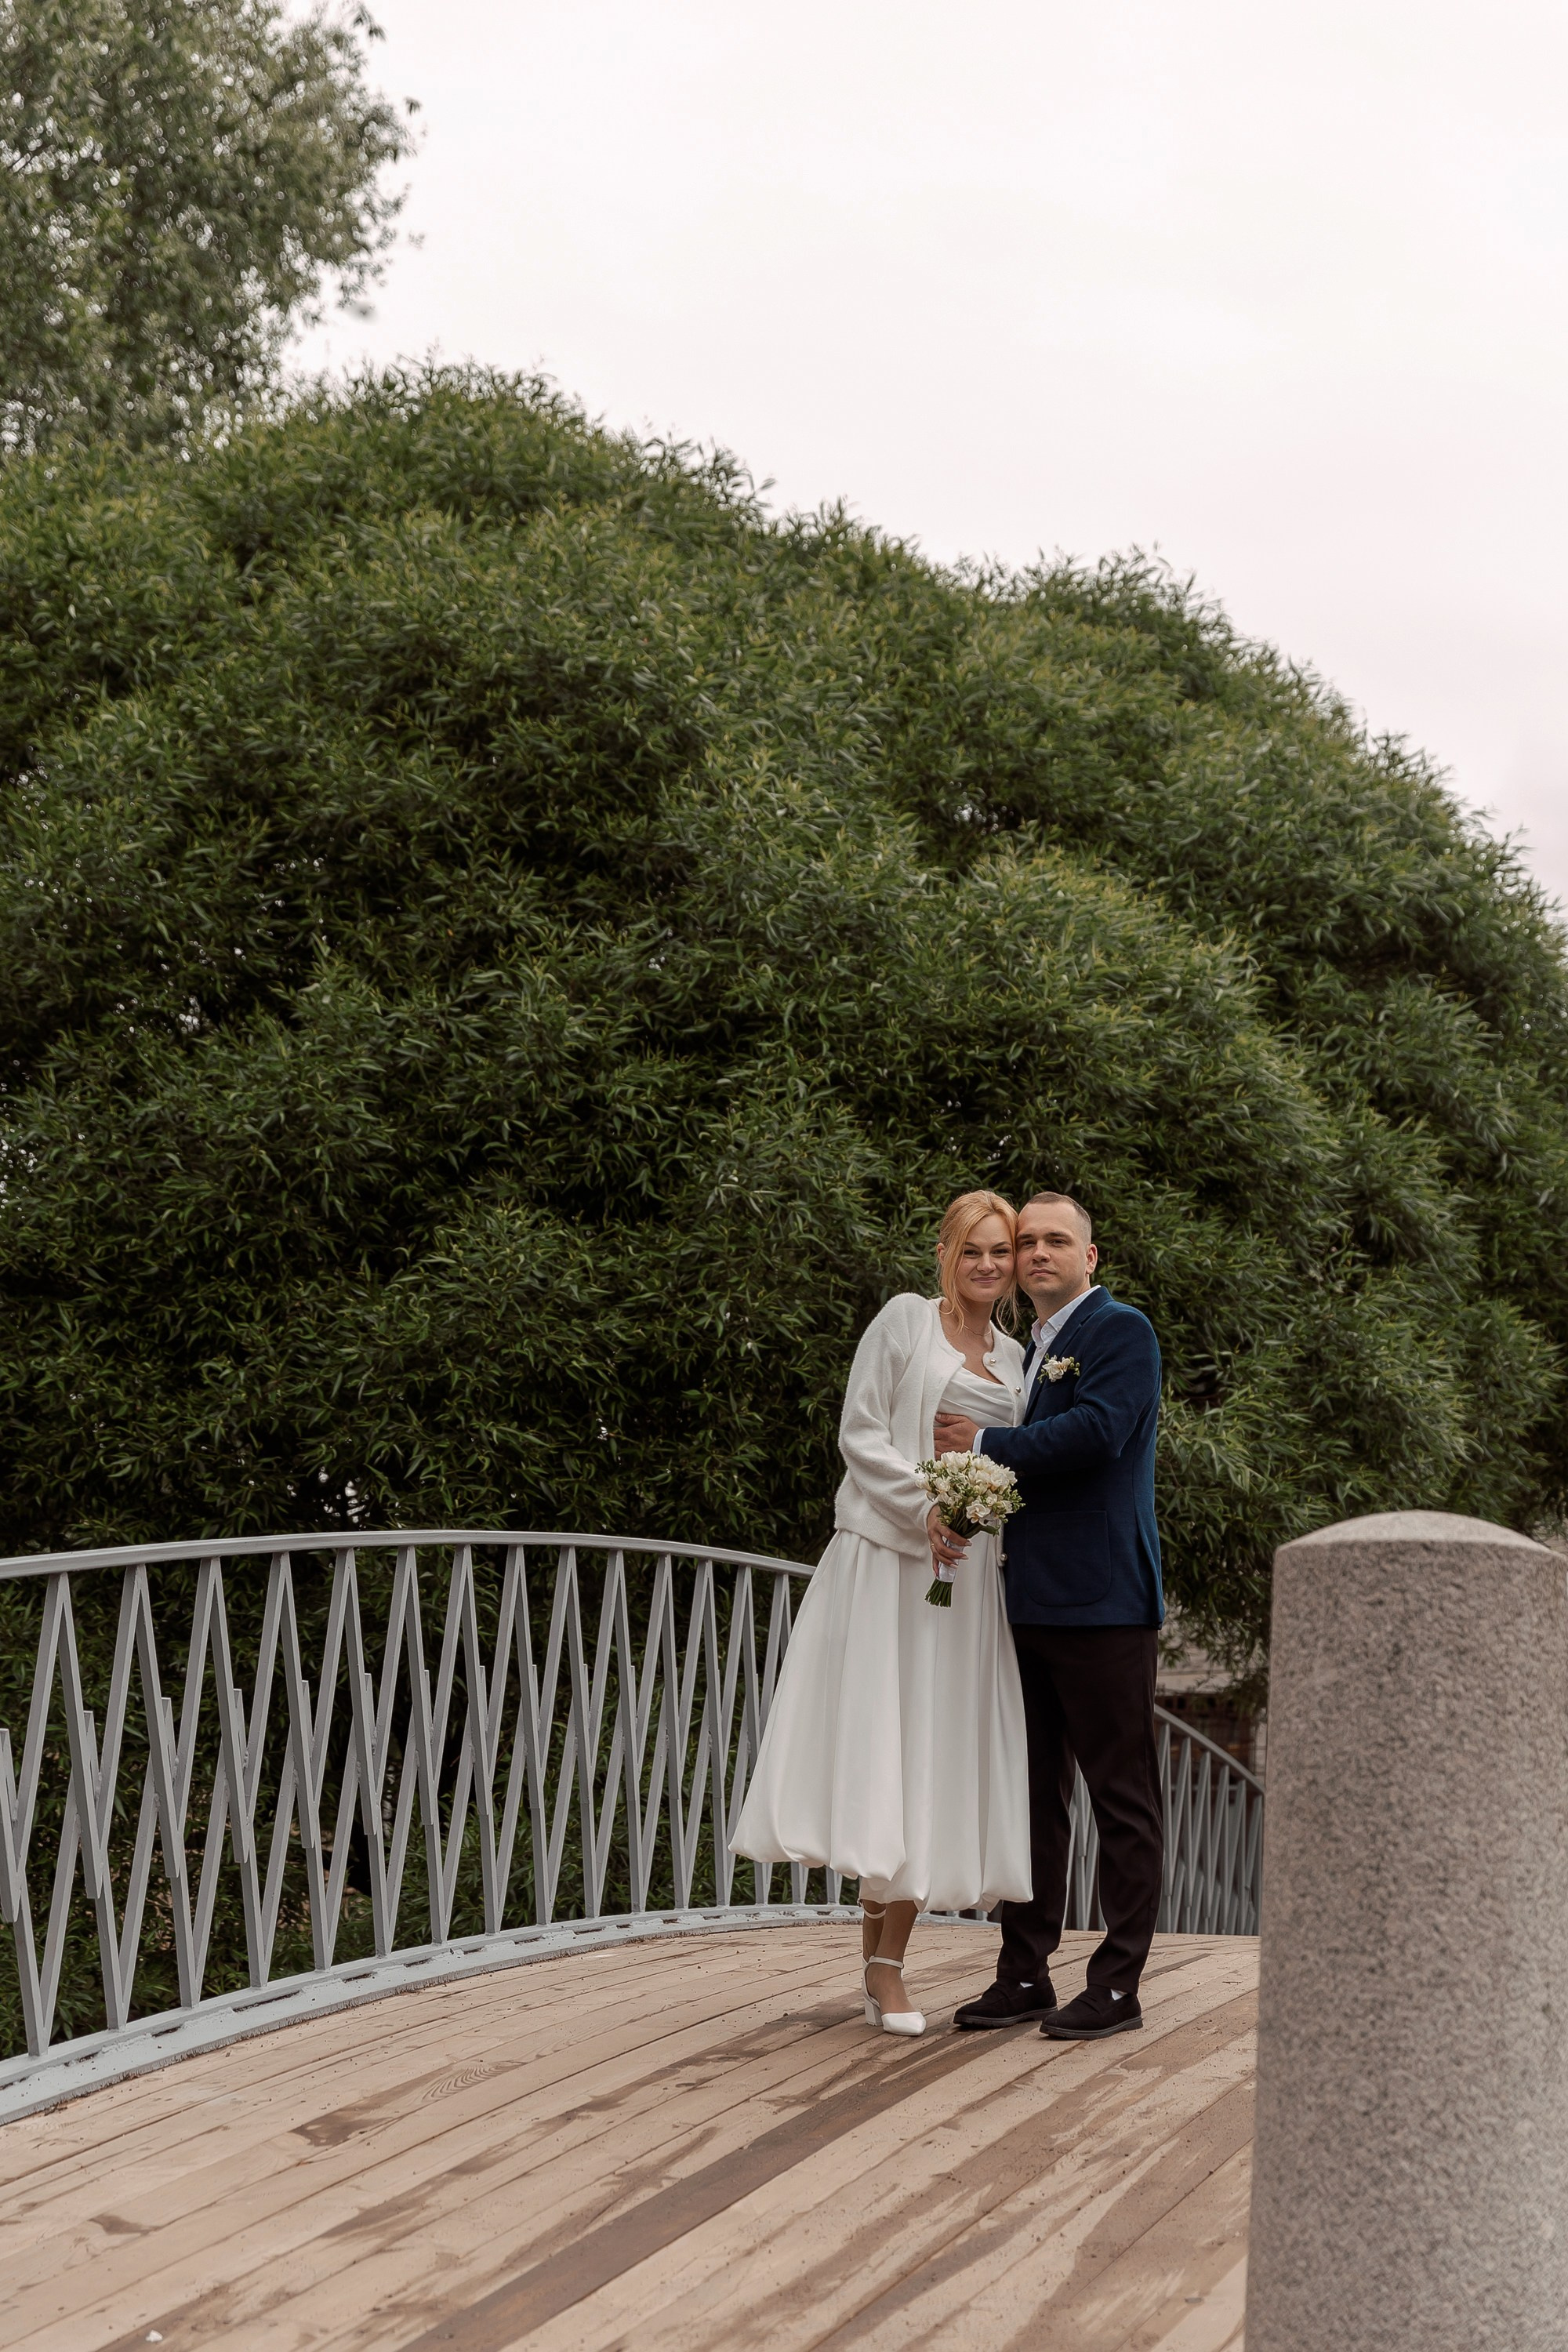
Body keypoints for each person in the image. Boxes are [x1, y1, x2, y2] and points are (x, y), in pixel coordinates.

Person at [731, 1191, 1033, 2037]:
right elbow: (860, 1433)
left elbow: (1013, 1463)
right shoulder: (903, 1322)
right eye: (972, 1249)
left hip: (965, 1583)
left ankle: (884, 1966)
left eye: (1000, 1251)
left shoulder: (1015, 1357)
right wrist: (924, 1507)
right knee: (882, 1752)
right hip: (887, 1565)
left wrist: (973, 1508)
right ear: (945, 1251)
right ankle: (880, 1971)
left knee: (929, 1758)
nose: (986, 1265)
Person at [934, 1191, 1165, 2042]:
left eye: (1053, 1240)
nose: (1034, 1253)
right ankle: (1022, 1972)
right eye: (1023, 1240)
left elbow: (1099, 1435)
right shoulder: (1028, 1349)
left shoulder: (1119, 1332)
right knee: (1029, 1798)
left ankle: (1116, 1984)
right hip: (1023, 1599)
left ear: (1088, 1257)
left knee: (1121, 1798)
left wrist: (980, 1447)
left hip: (1102, 1603)